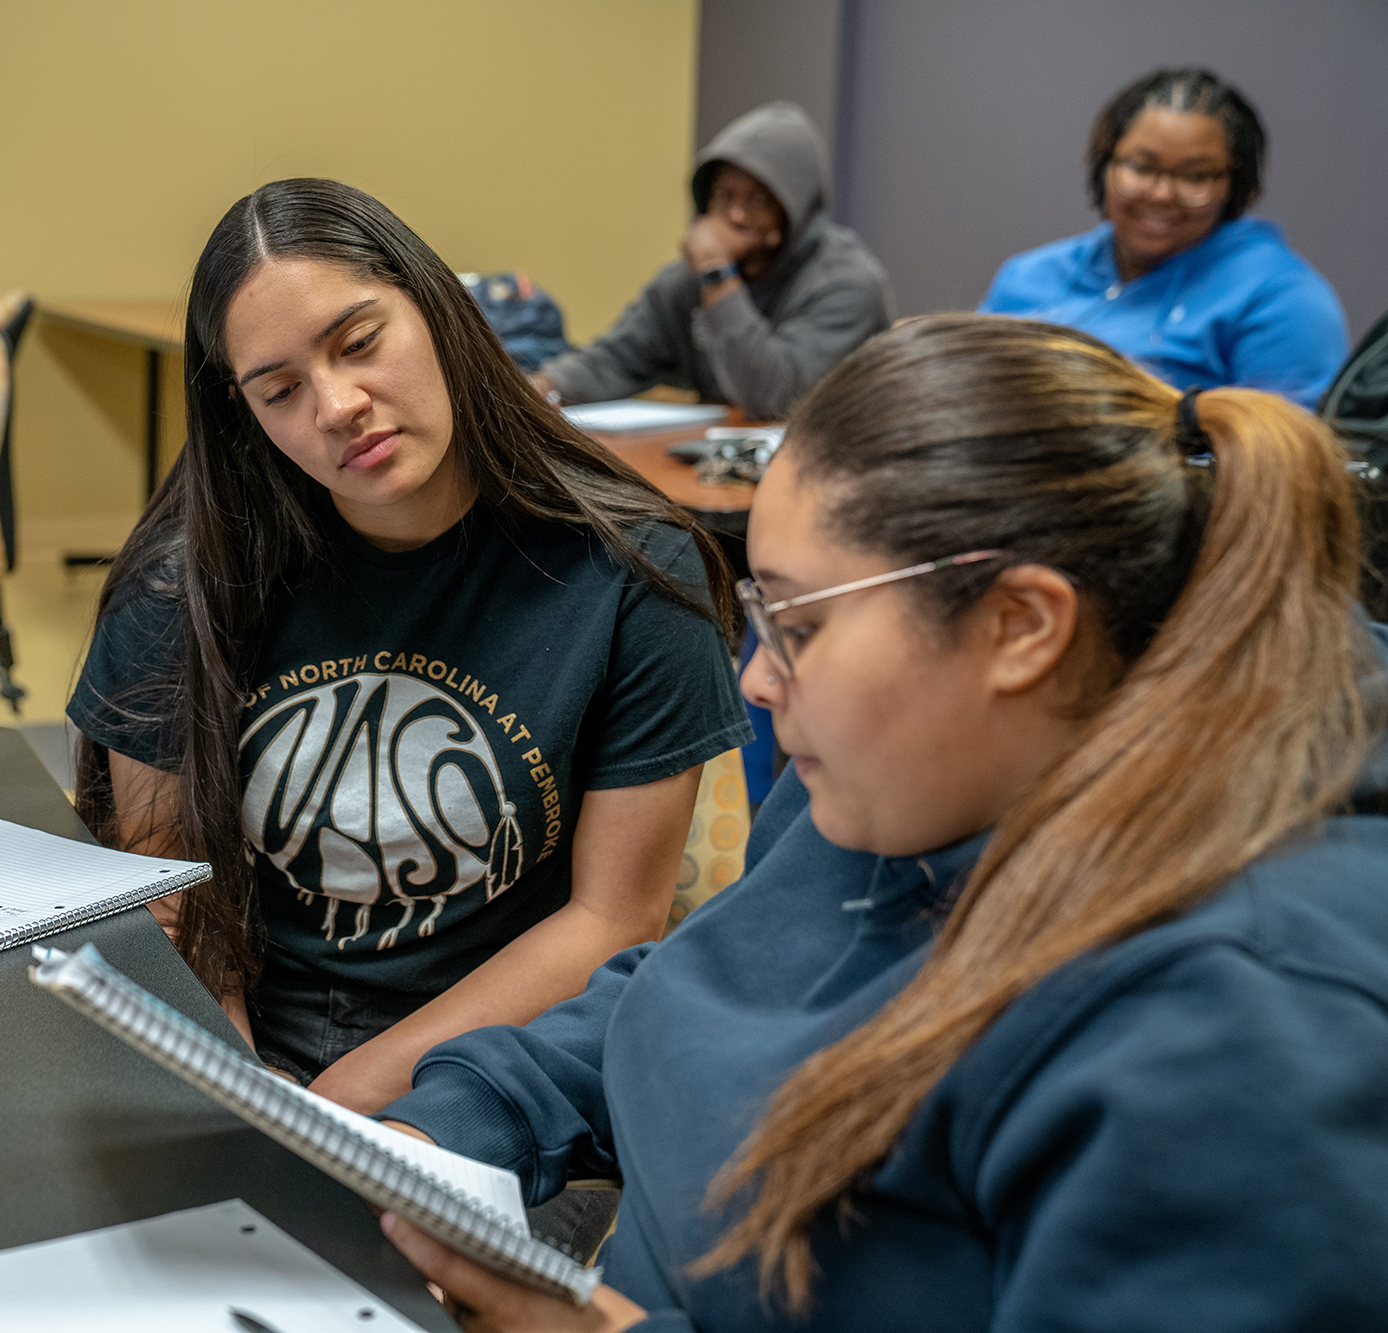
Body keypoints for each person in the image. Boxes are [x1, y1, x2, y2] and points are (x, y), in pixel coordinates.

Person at [374, 313, 1388, 1331]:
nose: (758, 683)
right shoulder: (906, 771)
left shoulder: (1241, 1027)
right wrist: (446, 1129)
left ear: (1019, 626)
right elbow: (704, 974)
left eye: (799, 626)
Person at [67, 178, 752, 1116]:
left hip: (501, 1062)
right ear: (247, 417)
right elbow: (169, 891)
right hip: (248, 1047)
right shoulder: (180, 585)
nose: (338, 405)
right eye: (280, 390)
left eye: (360, 343)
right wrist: (236, 1084)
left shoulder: (634, 572)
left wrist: (342, 1103)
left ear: (438, 312)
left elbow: (610, 920)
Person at [980, 68, 1347, 408]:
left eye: (1195, 176)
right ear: (1104, 164)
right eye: (1141, 167)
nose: (1160, 195)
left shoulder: (1280, 299)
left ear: (1235, 187)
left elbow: (1287, 460)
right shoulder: (1028, 276)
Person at [529, 102, 892, 420]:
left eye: (759, 201)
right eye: (724, 196)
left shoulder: (846, 285)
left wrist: (718, 275)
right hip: (716, 468)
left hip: (829, 472)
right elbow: (618, 357)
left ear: (793, 212)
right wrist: (546, 387)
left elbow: (775, 399)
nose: (735, 215)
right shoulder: (686, 282)